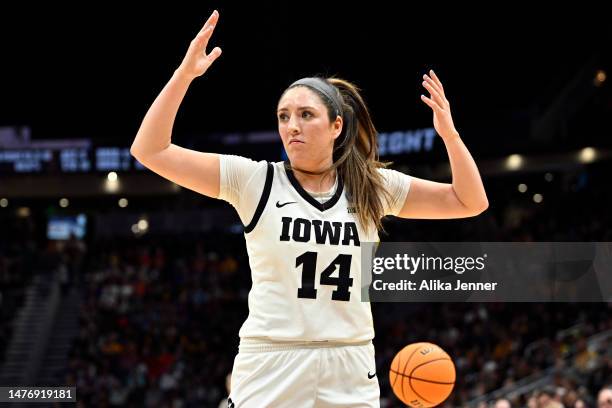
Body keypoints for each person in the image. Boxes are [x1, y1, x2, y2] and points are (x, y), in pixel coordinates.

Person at [130, 9, 488, 407]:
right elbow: (150, 150)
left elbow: (470, 201)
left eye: (305, 115)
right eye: (284, 117)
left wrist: (451, 136)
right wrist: (184, 75)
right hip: (273, 357)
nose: (292, 126)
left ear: (337, 126)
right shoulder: (254, 180)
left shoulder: (371, 186)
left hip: (349, 361)